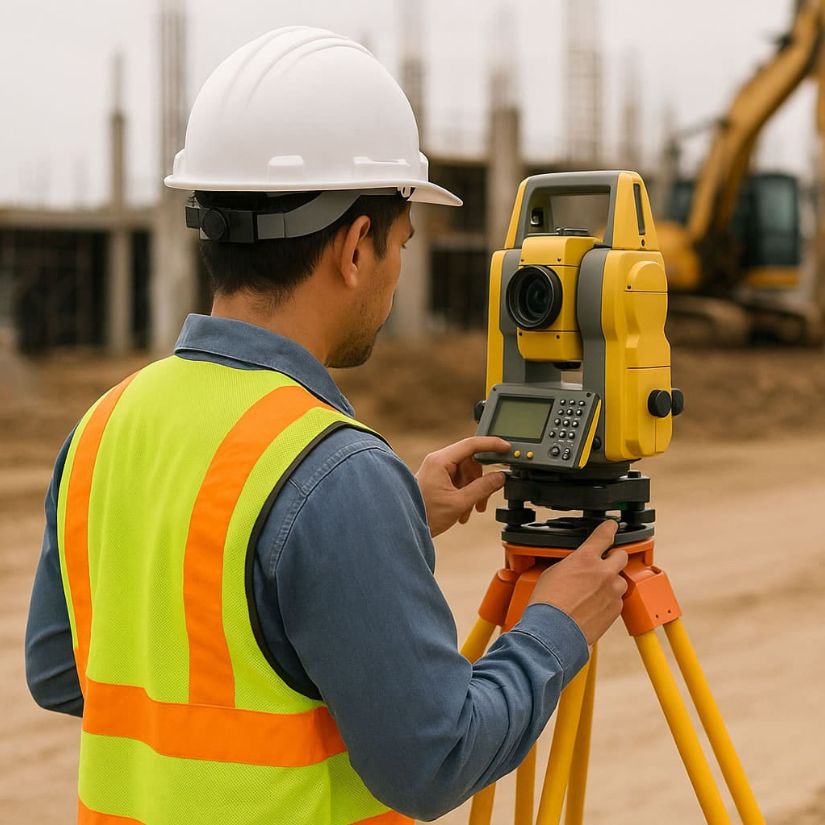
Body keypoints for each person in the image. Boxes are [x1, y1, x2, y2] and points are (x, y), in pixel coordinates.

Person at [25, 27, 628, 824]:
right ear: (354, 248)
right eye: (401, 244)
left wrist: (381, 526)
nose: (395, 270)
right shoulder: (334, 474)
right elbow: (433, 757)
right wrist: (555, 626)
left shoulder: (104, 425)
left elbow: (64, 669)